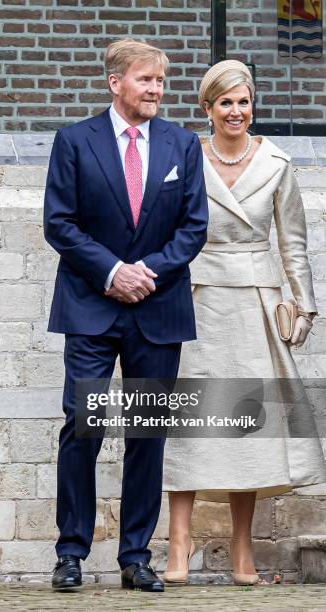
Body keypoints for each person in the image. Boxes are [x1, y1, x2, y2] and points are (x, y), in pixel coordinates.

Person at [44, 38, 208, 592]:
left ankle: (135, 557)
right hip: (91, 306)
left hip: (157, 309)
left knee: (147, 435)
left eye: (161, 82)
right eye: (146, 80)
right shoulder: (73, 142)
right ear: (116, 82)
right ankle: (70, 553)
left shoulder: (183, 146)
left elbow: (193, 228)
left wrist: (146, 273)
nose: (156, 90)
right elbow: (60, 224)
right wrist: (114, 271)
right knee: (82, 427)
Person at [163, 60, 326, 586]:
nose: (237, 111)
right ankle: (179, 545)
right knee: (188, 423)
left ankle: (241, 549)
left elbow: (292, 243)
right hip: (195, 297)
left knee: (247, 425)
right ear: (207, 109)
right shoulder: (184, 156)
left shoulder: (277, 163)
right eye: (226, 102)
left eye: (244, 101)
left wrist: (303, 306)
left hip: (256, 301)